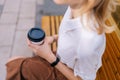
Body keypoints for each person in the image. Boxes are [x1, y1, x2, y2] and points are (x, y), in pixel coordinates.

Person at [6, 0, 120, 80]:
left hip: (65, 73)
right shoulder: (74, 8)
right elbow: (73, 36)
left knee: (13, 65)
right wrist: (54, 38)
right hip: (61, 59)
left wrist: (50, 57)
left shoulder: (89, 40)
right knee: (14, 62)